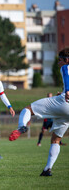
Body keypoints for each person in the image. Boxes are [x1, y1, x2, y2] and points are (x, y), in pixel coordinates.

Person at [9, 48, 69, 176]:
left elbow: (66, 74)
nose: (59, 63)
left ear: (66, 60)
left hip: (64, 102)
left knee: (28, 109)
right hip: (66, 109)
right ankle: (47, 169)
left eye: (60, 60)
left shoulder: (66, 67)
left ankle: (21, 127)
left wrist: (67, 90)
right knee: (56, 139)